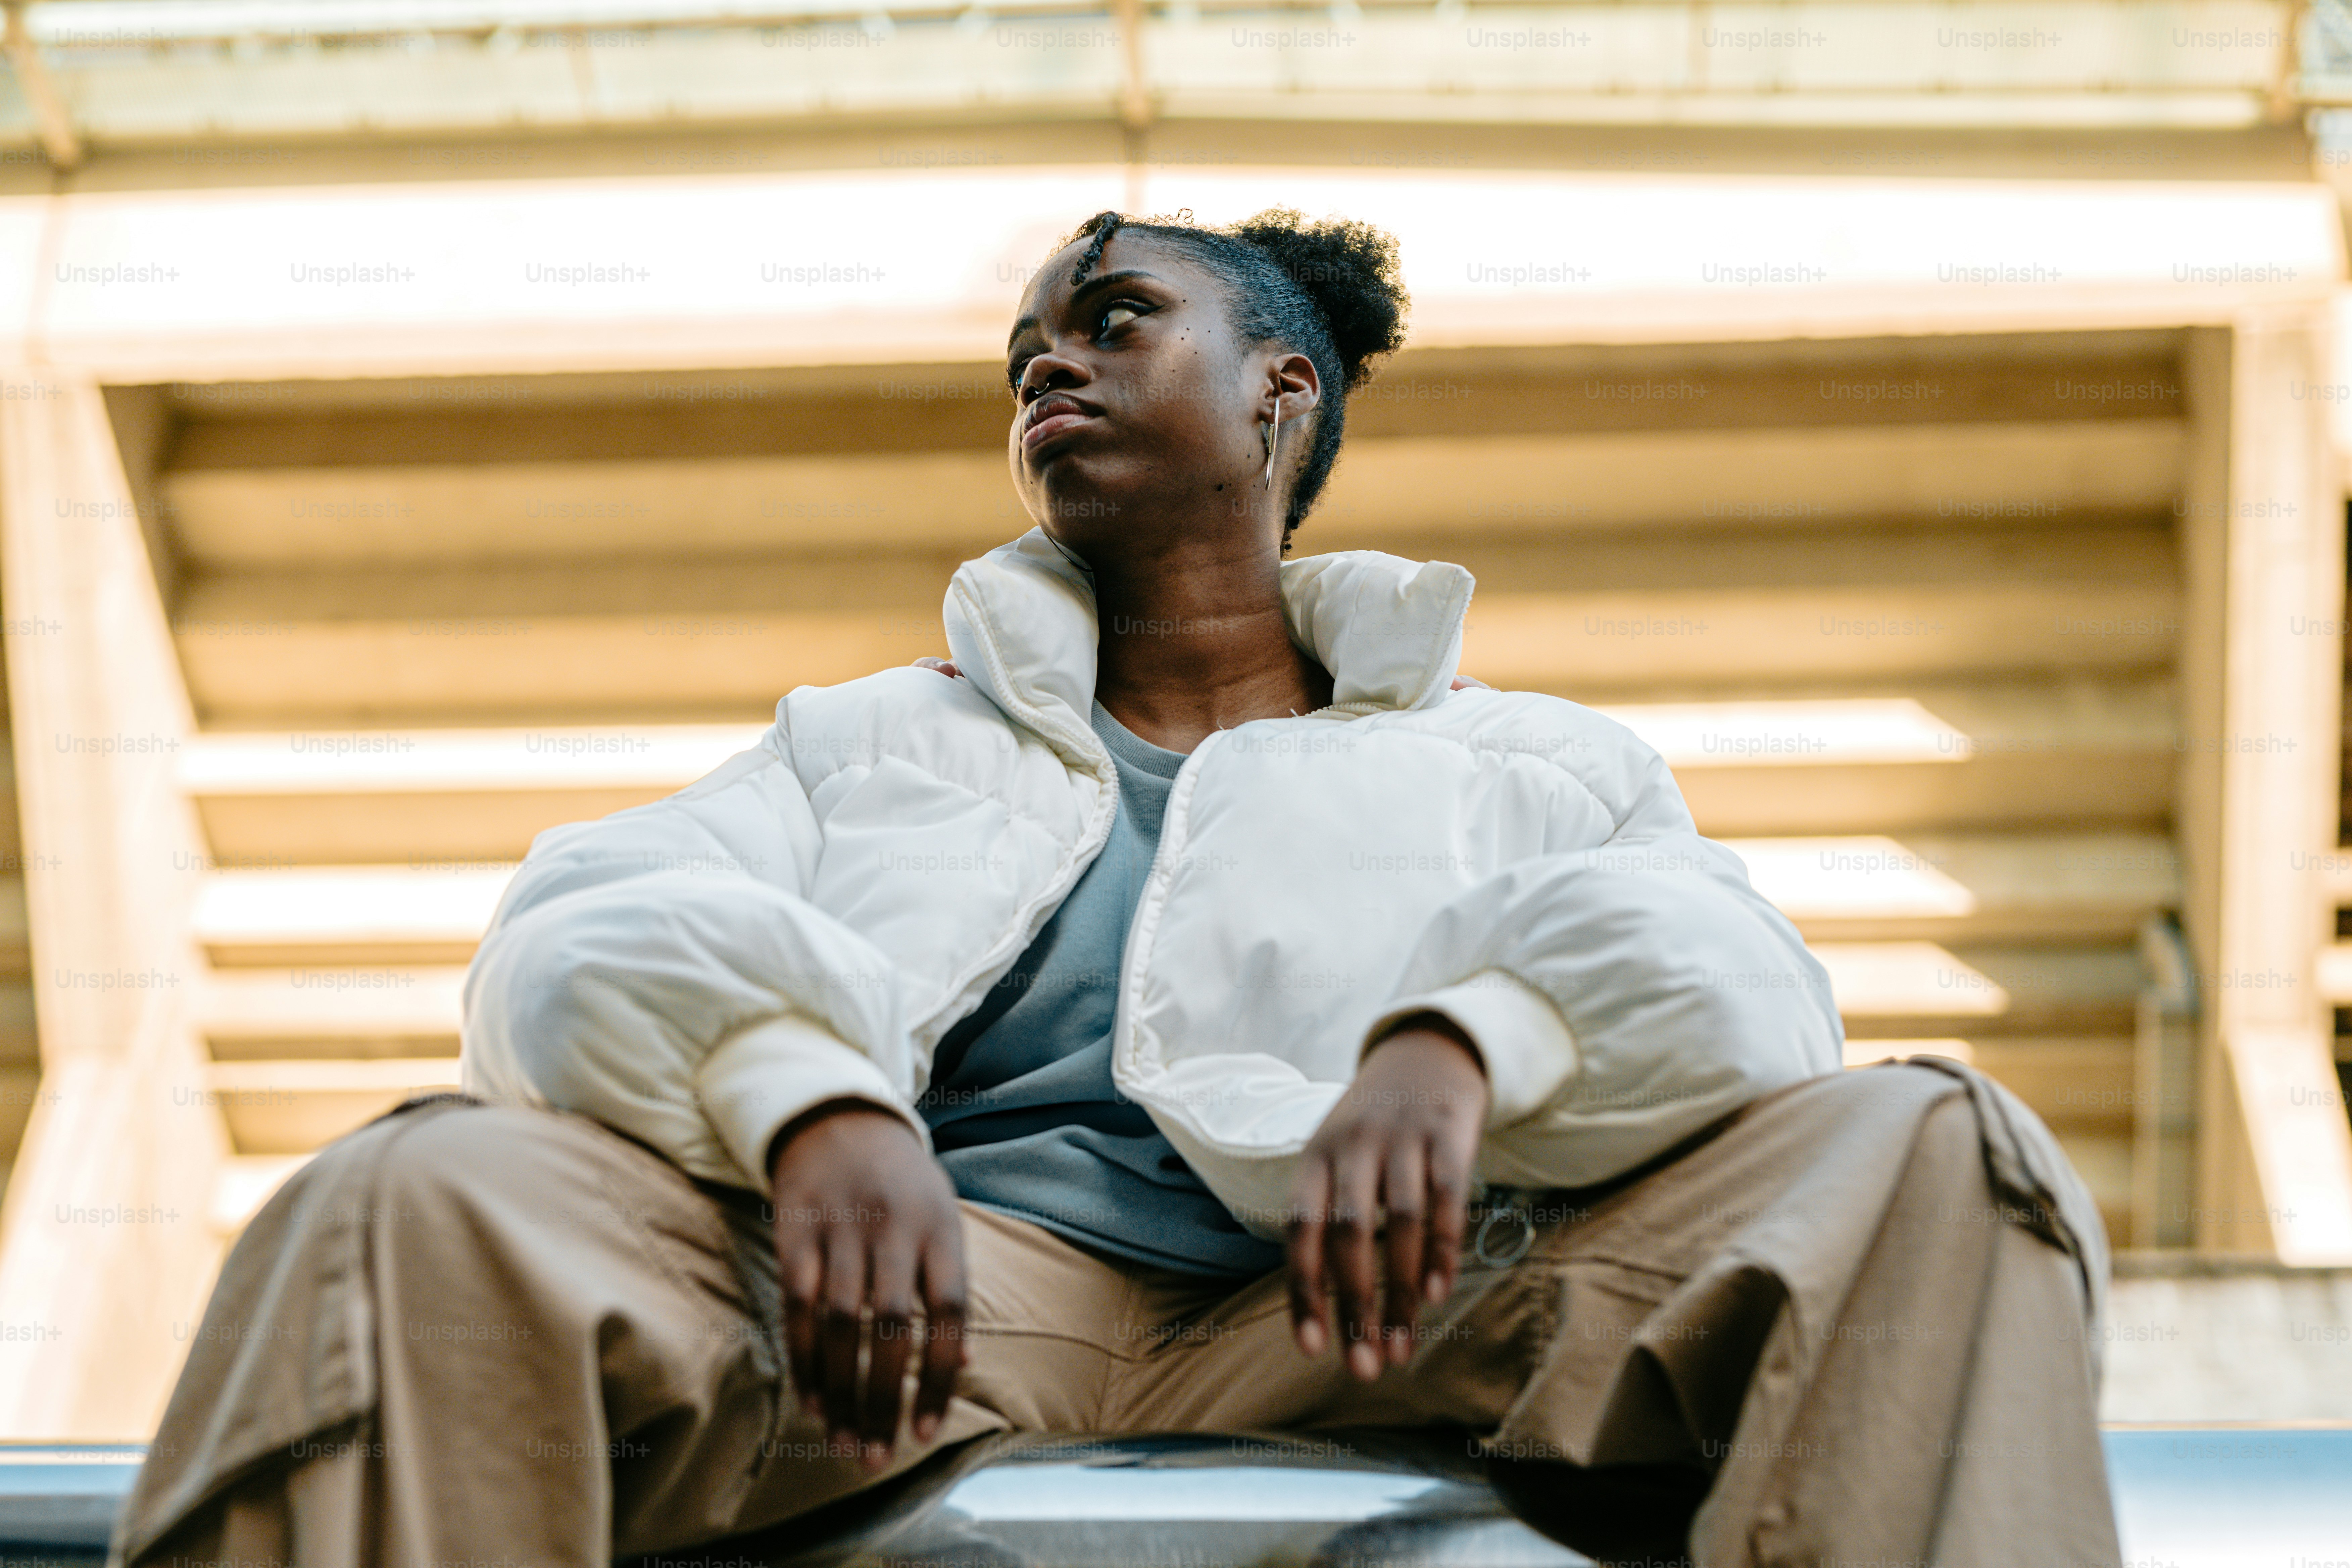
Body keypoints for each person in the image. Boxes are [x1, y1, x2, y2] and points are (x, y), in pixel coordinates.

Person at [113, 208, 2122, 1568]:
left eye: (1112, 324)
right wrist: (806, 1100)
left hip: (1408, 1306)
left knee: (1942, 1148)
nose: (1045, 373)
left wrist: (1462, 1048)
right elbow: (573, 941)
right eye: (1023, 358)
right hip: (916, 1311)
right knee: (411, 1190)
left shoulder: (1534, 762)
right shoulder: (864, 738)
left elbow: (1748, 990)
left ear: (1281, 393)